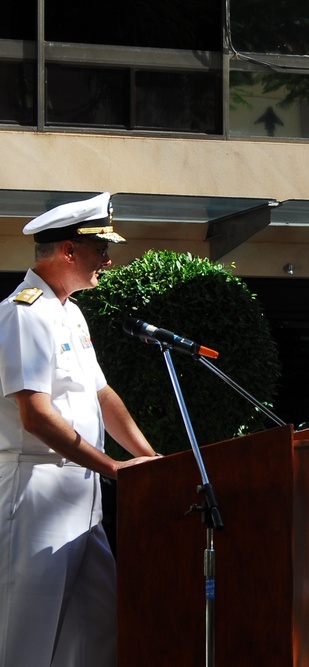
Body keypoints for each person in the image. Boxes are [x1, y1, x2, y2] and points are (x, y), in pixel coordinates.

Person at [0, 192, 159, 667]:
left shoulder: (70, 311)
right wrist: (116, 468)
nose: (107, 261)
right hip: (37, 495)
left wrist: (150, 460)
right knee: (26, 638)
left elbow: (102, 396)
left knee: (98, 634)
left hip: (82, 498)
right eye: (99, 250)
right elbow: (35, 414)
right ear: (68, 251)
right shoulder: (23, 313)